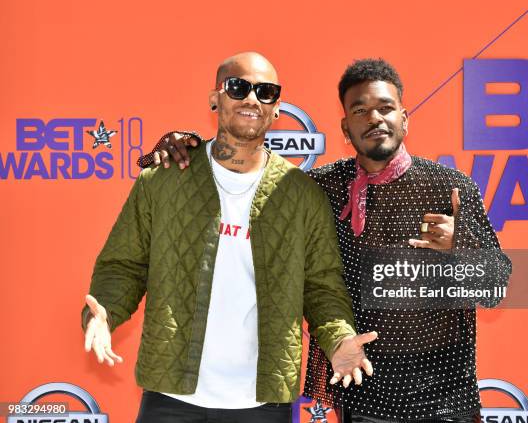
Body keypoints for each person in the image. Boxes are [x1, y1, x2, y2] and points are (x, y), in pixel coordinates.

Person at [140, 58, 512, 422]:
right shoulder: (321, 188)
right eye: (360, 110)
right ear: (345, 128)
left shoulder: (449, 187)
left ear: (404, 118)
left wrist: (459, 248)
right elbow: (244, 172)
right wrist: (185, 147)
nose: (374, 118)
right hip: (362, 390)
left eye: (385, 107)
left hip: (445, 397)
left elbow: (498, 288)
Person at [82, 51, 378, 423]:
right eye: (238, 87)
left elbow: (322, 287)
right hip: (171, 397)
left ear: (276, 108)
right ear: (215, 97)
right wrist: (104, 314)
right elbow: (124, 264)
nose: (252, 99)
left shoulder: (301, 194)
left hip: (262, 403)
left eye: (265, 91)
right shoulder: (164, 180)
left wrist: (339, 339)